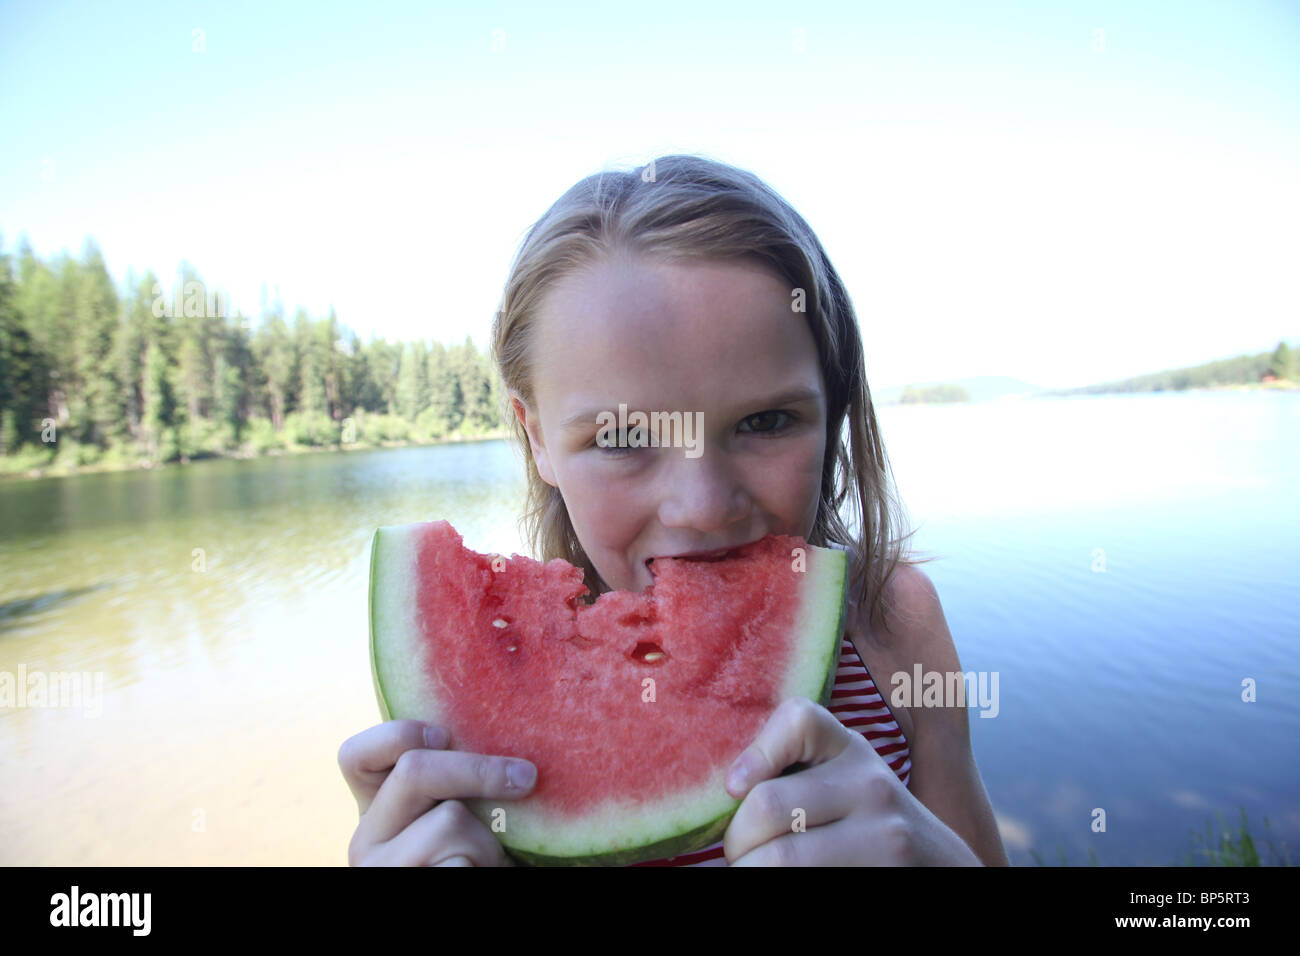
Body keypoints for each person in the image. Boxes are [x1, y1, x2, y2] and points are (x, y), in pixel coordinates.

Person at [338, 154, 1009, 866]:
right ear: (537, 439)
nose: (703, 506)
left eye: (766, 421)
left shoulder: (897, 620)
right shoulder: (476, 742)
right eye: (624, 436)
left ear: (833, 409)